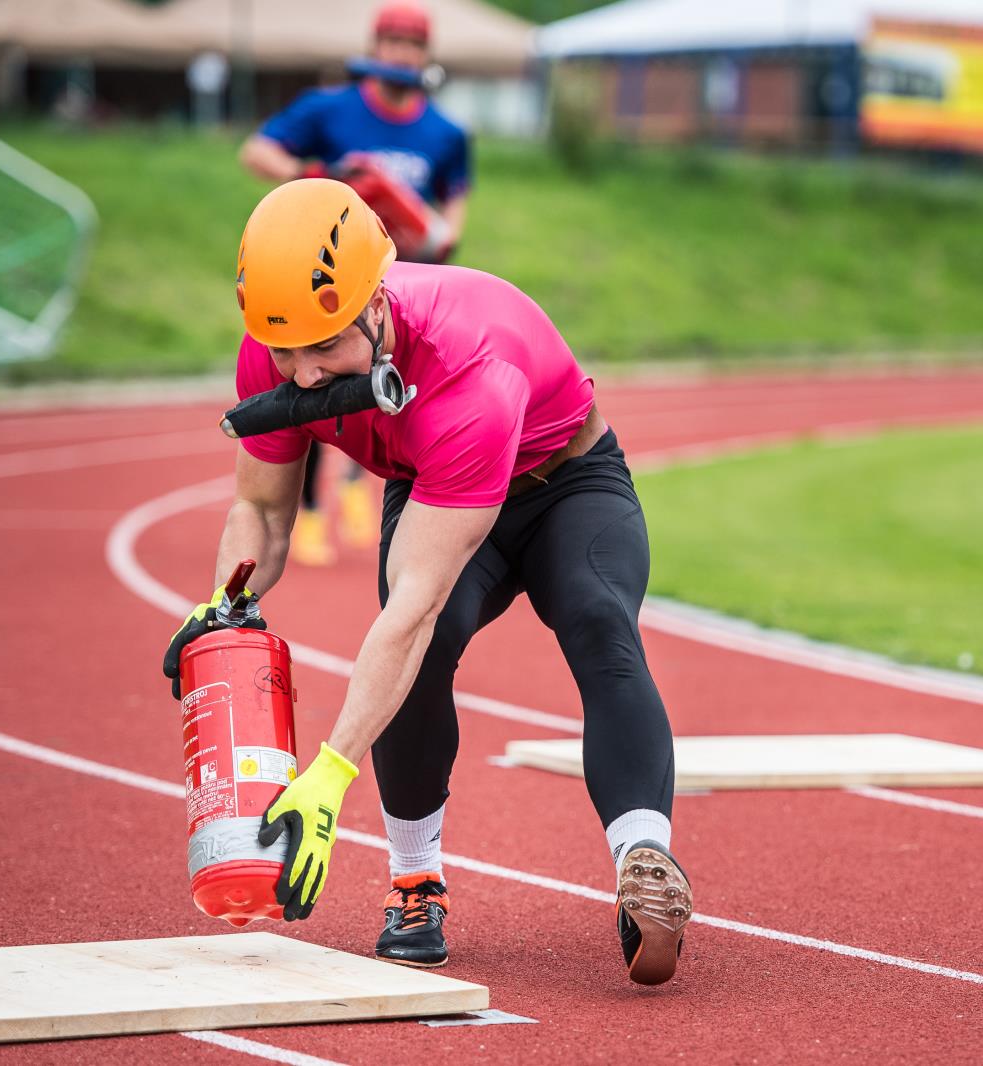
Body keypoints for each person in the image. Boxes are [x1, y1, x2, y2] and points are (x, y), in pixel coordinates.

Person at [162, 180, 691, 987]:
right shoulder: (274, 342)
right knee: (422, 661)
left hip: (564, 481)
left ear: (377, 302)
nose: (302, 376)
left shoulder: (466, 369)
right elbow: (261, 514)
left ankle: (643, 860)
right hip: (428, 477)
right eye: (284, 352)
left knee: (596, 622)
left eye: (325, 347)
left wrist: (329, 775)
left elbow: (413, 607)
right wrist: (226, 603)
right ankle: (416, 885)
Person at [239, 0, 471, 564]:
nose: (401, 54)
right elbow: (257, 151)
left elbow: (454, 210)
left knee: (398, 402)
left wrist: (434, 237)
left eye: (412, 45)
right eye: (391, 42)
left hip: (400, 288)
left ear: (425, 55)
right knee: (312, 387)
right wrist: (317, 178)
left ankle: (361, 487)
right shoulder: (330, 108)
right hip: (326, 286)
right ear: (374, 48)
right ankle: (313, 510)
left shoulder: (445, 132)